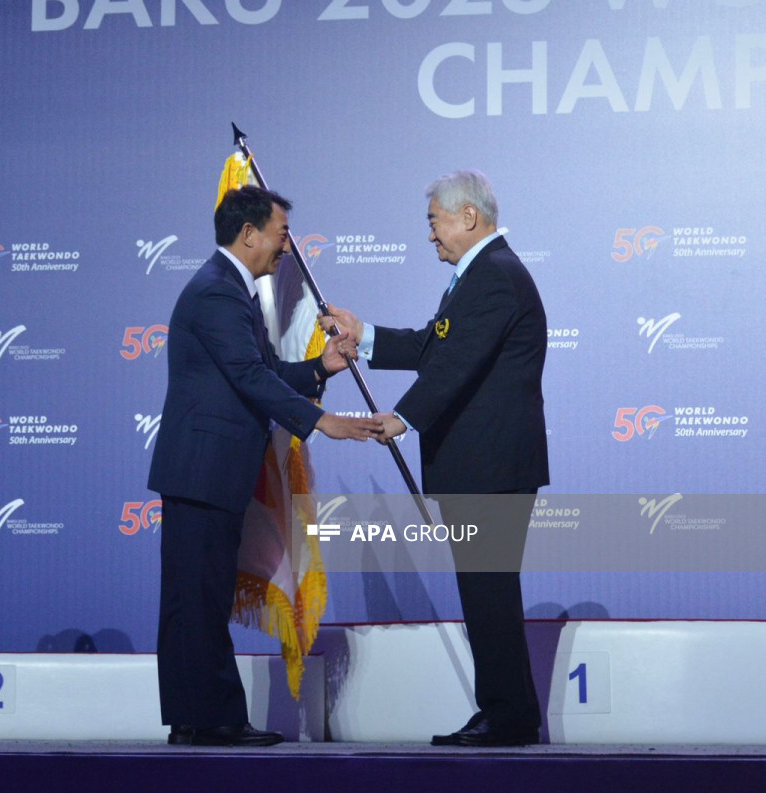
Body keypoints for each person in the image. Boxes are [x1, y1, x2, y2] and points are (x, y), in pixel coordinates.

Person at [323, 170, 548, 747]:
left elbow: (457, 362)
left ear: (467, 217)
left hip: (490, 467)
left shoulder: (494, 277)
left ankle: (508, 716)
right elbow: (434, 344)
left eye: (434, 222)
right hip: (477, 467)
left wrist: (403, 416)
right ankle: (506, 711)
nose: (431, 236)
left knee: (489, 589)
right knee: (484, 590)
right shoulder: (478, 279)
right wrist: (363, 334)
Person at [148, 185, 378, 747]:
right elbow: (250, 379)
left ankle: (195, 718)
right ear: (248, 233)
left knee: (198, 596)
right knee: (196, 597)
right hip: (202, 470)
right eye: (281, 233)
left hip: (209, 471)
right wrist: (324, 422)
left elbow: (265, 369)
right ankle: (214, 719)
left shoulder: (231, 289)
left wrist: (322, 367)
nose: (286, 246)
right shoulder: (217, 292)